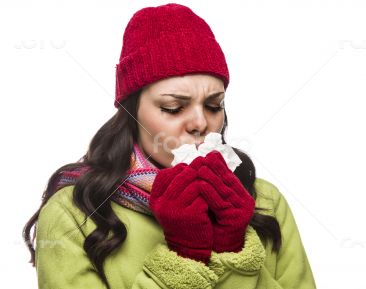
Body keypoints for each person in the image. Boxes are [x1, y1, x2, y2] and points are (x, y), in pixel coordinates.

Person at [23, 3, 317, 289]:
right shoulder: (74, 213)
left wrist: (231, 246)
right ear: (131, 111)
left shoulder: (265, 201)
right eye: (174, 107)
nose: (201, 123)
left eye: (214, 105)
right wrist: (184, 255)